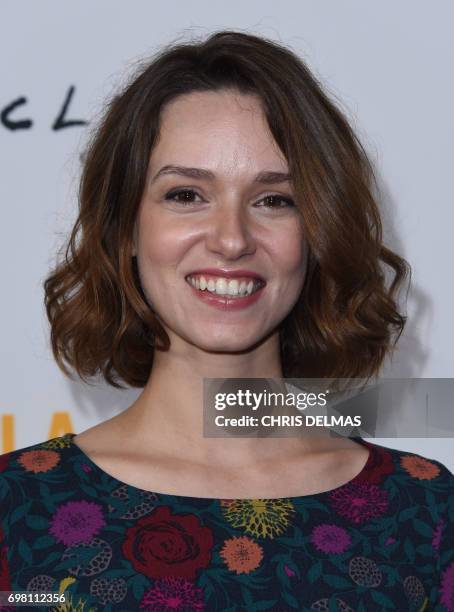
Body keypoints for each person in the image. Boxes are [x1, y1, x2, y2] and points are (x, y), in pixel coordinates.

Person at [0, 29, 453, 612]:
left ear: (318, 234)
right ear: (125, 228)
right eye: (186, 195)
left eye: (275, 200)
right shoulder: (17, 508)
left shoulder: (423, 512)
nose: (232, 239)